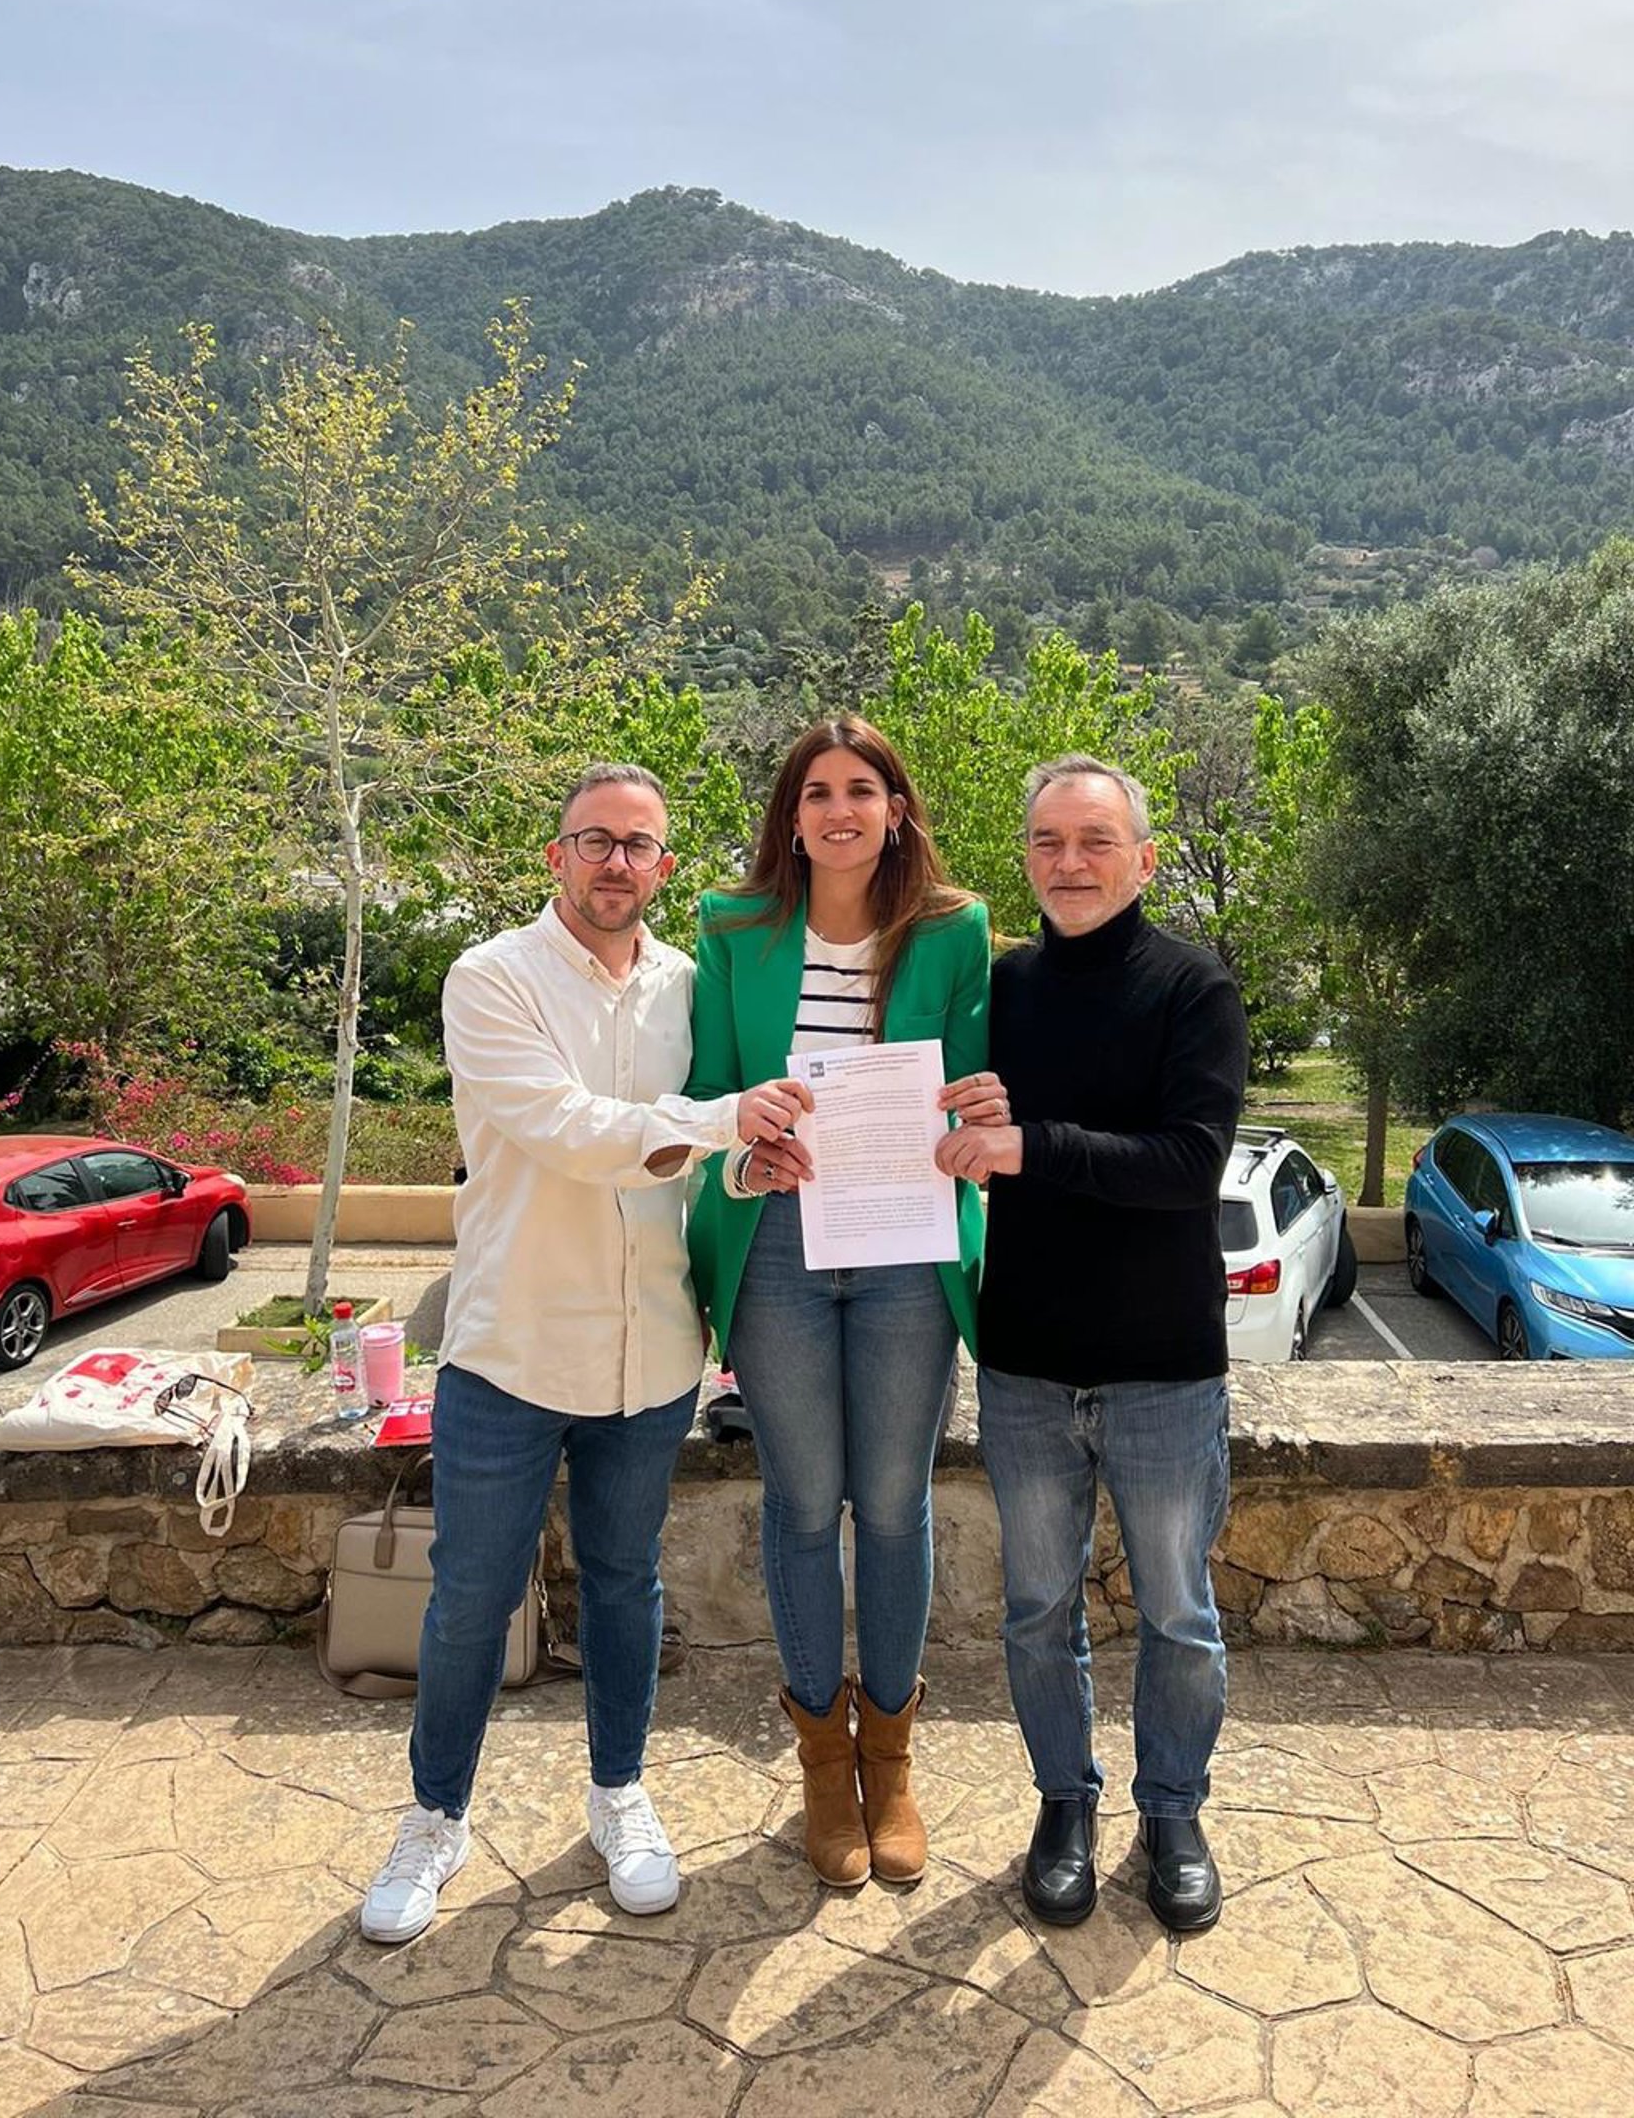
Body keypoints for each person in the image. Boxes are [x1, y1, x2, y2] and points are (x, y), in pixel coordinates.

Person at [360, 763, 812, 1944]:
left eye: (639, 844)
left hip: (652, 1351)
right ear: (557, 855)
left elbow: (698, 1163)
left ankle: (619, 1794)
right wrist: (721, 1122)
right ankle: (435, 1816)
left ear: (665, 865)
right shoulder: (491, 977)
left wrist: (750, 1162)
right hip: (511, 1347)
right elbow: (566, 1128)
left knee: (624, 1584)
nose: (617, 861)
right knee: (471, 1597)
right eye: (595, 839)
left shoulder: (691, 986)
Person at [937, 756, 1248, 1935]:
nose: (1070, 862)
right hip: (1024, 1360)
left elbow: (1189, 1167)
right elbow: (946, 1110)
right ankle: (1064, 1803)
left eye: (1095, 840)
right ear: (1025, 856)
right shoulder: (1001, 989)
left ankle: (1172, 1814)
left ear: (1144, 859)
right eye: (1049, 841)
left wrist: (1030, 1144)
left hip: (1163, 1365)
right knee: (1035, 1611)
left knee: (1178, 1613)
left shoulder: (1193, 987)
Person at [686, 717, 991, 1891]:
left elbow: (978, 1089)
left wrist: (975, 1118)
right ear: (793, 815)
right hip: (777, 1249)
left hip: (908, 1247)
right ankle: (824, 1759)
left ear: (895, 808)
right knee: (806, 1504)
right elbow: (708, 1091)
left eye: (862, 788)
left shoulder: (956, 930)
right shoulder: (733, 926)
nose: (840, 809)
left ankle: (891, 1757)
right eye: (817, 791)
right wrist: (742, 1154)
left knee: (897, 1505)